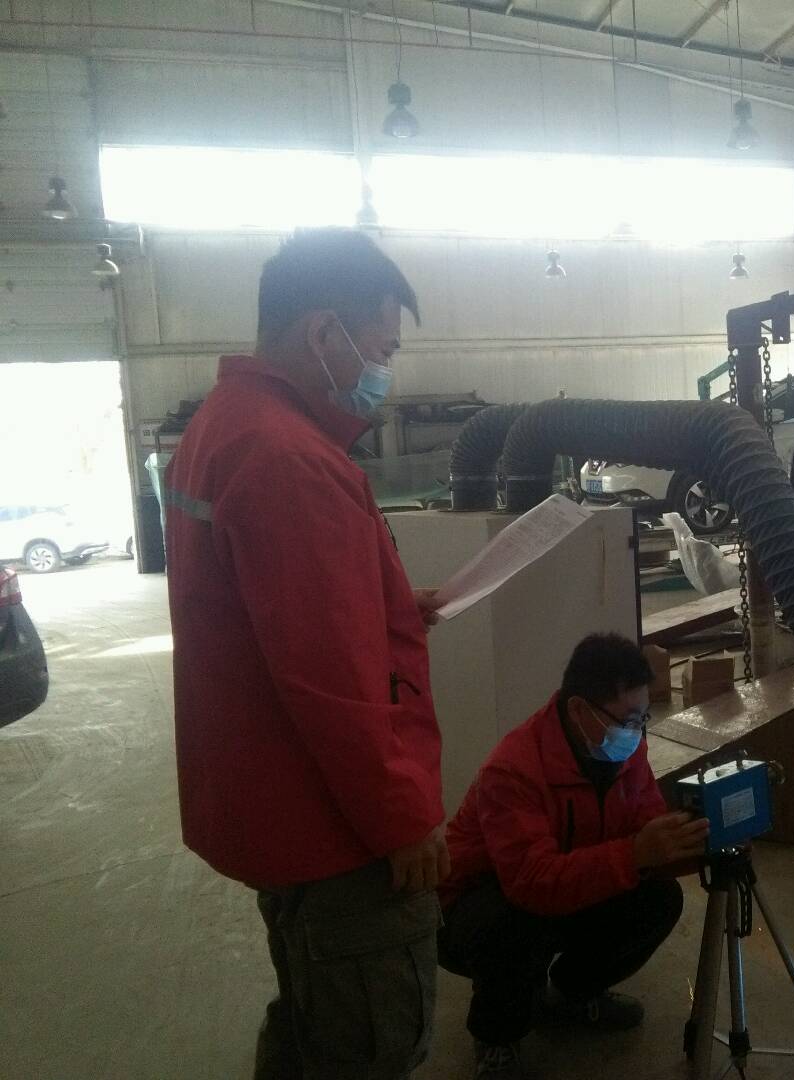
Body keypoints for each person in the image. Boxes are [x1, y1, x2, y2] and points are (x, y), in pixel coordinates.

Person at [165, 228, 448, 1079]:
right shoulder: (291, 459)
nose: (385, 373)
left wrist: (386, 607)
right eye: (382, 349)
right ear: (325, 333)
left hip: (273, 805)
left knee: (309, 1023)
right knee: (368, 1044)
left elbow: (269, 616)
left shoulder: (224, 426)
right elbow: (329, 686)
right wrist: (402, 820)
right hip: (336, 835)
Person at [439, 633, 709, 1078]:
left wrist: (697, 846)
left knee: (659, 899)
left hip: (567, 879)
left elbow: (645, 826)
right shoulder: (513, 769)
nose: (635, 732)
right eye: (628, 719)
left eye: (642, 718)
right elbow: (530, 882)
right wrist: (634, 855)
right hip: (481, 902)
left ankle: (571, 994)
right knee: (511, 930)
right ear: (579, 709)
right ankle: (497, 1035)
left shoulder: (626, 752)